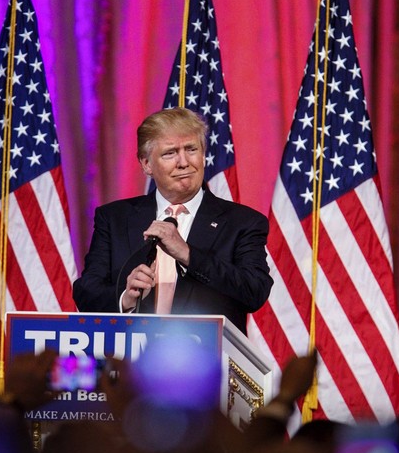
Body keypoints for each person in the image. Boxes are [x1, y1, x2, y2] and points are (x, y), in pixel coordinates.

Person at [72, 107, 273, 335]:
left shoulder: (242, 222)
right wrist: (126, 298)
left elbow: (254, 292)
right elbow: (86, 292)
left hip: (205, 362)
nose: (184, 162)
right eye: (170, 153)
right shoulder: (114, 218)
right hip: (130, 361)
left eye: (191, 149)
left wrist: (188, 254)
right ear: (147, 164)